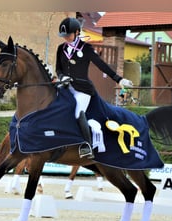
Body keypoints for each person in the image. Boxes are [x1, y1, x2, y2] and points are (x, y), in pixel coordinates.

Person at [55, 17, 133, 159]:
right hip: (65, 87)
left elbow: (101, 65)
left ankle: (87, 145)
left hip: (82, 90)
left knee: (78, 113)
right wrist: (61, 77)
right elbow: (58, 69)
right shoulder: (61, 48)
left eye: (68, 34)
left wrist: (119, 79)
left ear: (77, 32)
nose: (65, 37)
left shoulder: (86, 48)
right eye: (64, 35)